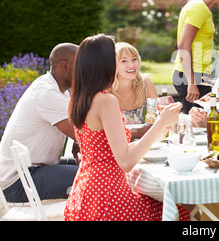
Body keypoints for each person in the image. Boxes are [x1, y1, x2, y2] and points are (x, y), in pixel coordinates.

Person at [64, 33, 190, 221]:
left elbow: (108, 150)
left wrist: (157, 130)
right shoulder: (107, 101)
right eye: (116, 59)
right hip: (108, 198)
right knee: (181, 211)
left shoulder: (80, 99)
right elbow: (125, 162)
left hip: (85, 195)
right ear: (105, 64)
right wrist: (161, 122)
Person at [0, 43, 79, 202]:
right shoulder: (47, 93)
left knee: (94, 169)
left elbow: (81, 129)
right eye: (81, 66)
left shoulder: (54, 88)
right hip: (19, 182)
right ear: (64, 66)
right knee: (96, 176)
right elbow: (87, 135)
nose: (86, 72)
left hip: (32, 169)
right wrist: (135, 133)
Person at [173, 0, 219, 114]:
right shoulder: (199, 8)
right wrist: (191, 83)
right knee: (198, 125)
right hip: (192, 76)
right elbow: (183, 45)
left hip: (198, 75)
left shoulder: (199, 6)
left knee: (200, 123)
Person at [111, 42, 157, 139]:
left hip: (146, 144)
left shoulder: (146, 83)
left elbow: (158, 117)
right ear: (113, 65)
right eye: (124, 61)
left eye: (134, 59)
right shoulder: (106, 90)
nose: (131, 65)